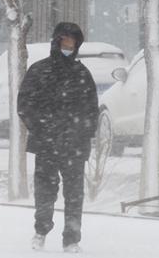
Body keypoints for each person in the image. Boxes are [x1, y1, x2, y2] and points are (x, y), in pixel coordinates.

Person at [17, 21, 99, 253]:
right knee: (45, 190)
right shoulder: (39, 70)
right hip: (46, 144)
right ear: (56, 41)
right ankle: (41, 230)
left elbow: (91, 110)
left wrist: (83, 134)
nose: (68, 46)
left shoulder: (81, 73)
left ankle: (71, 238)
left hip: (75, 145)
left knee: (74, 194)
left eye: (72, 42)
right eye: (64, 41)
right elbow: (25, 105)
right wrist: (42, 128)